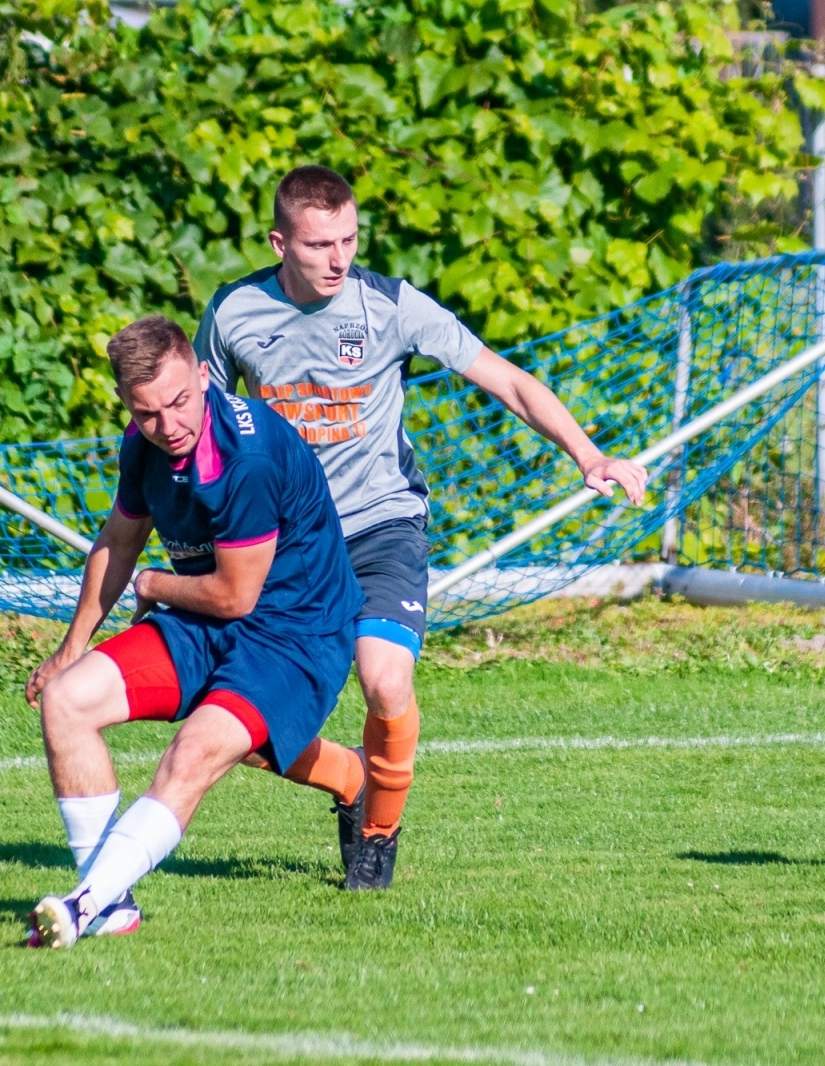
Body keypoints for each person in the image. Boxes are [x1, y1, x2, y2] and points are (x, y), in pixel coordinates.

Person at [195, 165, 648, 889]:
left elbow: (506, 380)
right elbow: (198, 426)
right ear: (280, 242)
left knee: (384, 680)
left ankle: (377, 834)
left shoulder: (390, 306)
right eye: (318, 245)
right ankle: (349, 779)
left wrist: (589, 455)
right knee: (224, 710)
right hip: (287, 542)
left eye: (348, 239)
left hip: (382, 526)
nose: (339, 258)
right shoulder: (233, 314)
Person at [23, 314, 364, 948]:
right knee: (67, 701)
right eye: (147, 413)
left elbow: (236, 596)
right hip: (205, 619)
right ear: (127, 405)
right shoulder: (143, 442)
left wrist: (152, 586)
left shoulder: (248, 458)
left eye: (180, 402)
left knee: (190, 755)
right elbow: (119, 538)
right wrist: (69, 653)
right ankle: (111, 905)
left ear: (204, 376)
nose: (168, 425)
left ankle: (81, 905)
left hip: (295, 635)